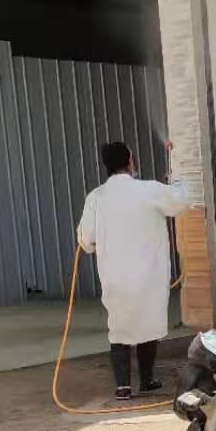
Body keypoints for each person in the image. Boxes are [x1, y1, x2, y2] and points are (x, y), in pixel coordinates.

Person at [77, 141, 188, 401]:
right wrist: (177, 175)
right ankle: (147, 380)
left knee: (119, 327)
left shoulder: (96, 197)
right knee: (147, 324)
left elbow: (86, 241)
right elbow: (182, 203)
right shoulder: (149, 190)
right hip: (148, 276)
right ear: (130, 161)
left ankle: (123, 386)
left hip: (115, 277)